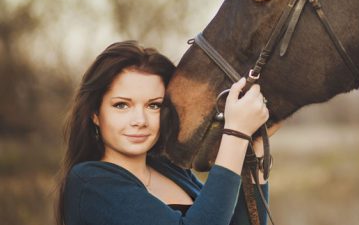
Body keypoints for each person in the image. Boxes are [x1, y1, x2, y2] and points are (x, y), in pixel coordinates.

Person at [55, 41, 273, 225]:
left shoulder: (171, 169)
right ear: (95, 113)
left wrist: (255, 144)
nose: (139, 121)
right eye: (121, 105)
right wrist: (235, 134)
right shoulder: (90, 182)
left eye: (154, 106)